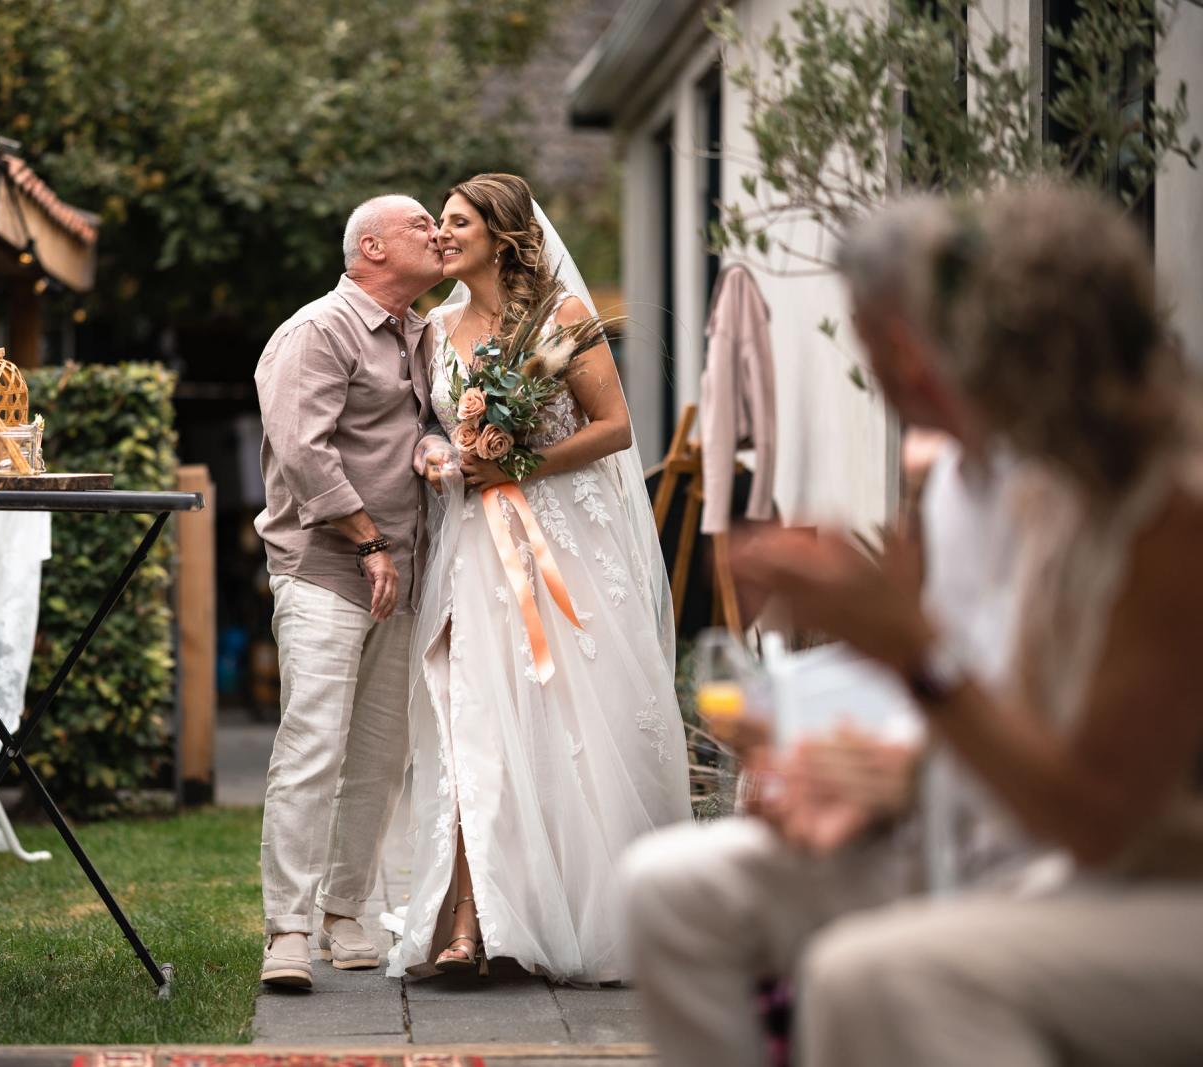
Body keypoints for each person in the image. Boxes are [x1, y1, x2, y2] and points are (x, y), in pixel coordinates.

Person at [734, 185, 1203, 1065]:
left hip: (1158, 887)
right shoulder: (1064, 491)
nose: (926, 380)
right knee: (851, 967)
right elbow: (1012, 719)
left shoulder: (1174, 509)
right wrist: (849, 757)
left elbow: (1097, 819)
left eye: (956, 355)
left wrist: (913, 654)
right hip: (1088, 870)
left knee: (879, 974)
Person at [620, 195, 1033, 1065]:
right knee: (663, 883)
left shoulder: (1084, 488)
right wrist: (809, 744)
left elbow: (1042, 720)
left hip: (1035, 840)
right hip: (939, 808)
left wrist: (906, 710)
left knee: (853, 969)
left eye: (882, 344)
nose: (886, 374)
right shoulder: (953, 480)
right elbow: (933, 679)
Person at [388, 173, 691, 984]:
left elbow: (616, 428)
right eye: (440, 223)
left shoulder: (559, 319)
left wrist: (522, 461)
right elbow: (423, 430)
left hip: (565, 546)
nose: (442, 235)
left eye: (457, 222)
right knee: (472, 716)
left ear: (501, 232)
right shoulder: (433, 328)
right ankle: (468, 919)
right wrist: (436, 454)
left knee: (573, 723)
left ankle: (584, 904)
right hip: (473, 548)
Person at [252, 193, 444, 988]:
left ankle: (343, 911)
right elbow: (302, 449)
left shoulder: (424, 333)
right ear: (371, 247)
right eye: (420, 227)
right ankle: (286, 932)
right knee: (312, 746)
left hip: (405, 570)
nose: (437, 235)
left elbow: (419, 429)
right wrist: (367, 542)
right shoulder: (316, 331)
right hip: (329, 570)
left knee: (378, 756)